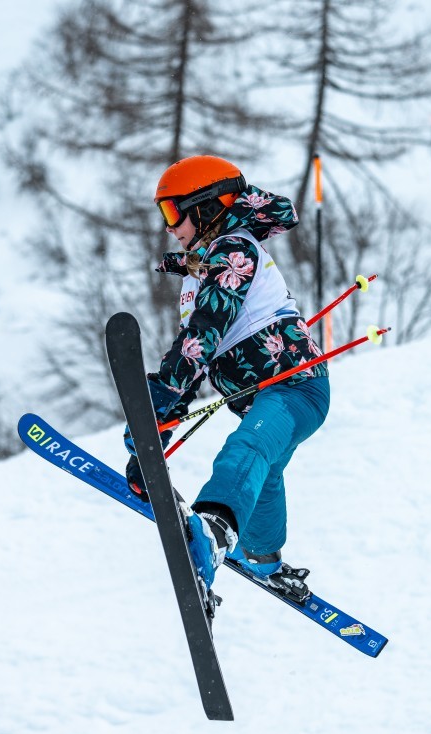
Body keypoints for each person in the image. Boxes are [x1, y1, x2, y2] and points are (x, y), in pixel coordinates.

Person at [123, 155, 329, 605]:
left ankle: (214, 530)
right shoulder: (201, 275)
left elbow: (204, 333)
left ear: (206, 206)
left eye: (173, 212)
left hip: (294, 387)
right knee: (266, 470)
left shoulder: (234, 249)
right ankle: (263, 559)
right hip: (265, 397)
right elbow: (197, 354)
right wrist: (157, 429)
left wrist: (157, 398)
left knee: (247, 450)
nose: (169, 227)